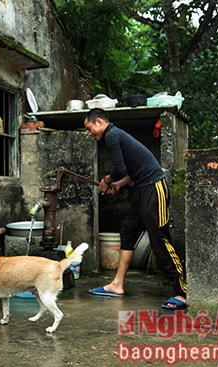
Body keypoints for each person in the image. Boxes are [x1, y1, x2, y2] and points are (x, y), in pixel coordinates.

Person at [83, 108, 186, 310]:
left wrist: (107, 180)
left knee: (159, 239)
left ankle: (182, 292)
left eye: (89, 128)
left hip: (154, 188)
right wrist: (120, 184)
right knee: (128, 231)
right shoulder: (115, 135)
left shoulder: (112, 135)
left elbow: (120, 170)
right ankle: (117, 284)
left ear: (98, 121)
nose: (90, 133)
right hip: (141, 188)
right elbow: (131, 170)